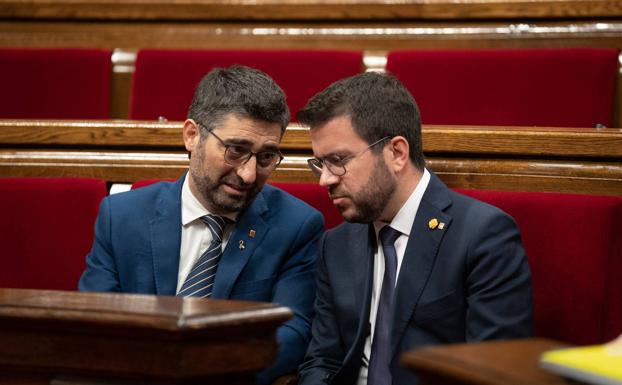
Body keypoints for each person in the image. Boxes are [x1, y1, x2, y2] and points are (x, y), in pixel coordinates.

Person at [79, 65, 323, 385]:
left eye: (265, 157)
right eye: (236, 150)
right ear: (192, 135)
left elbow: (292, 334)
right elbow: (95, 326)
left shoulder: (297, 226)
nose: (249, 174)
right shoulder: (122, 217)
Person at [296, 72, 532, 385]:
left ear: (396, 153)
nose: (325, 179)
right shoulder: (336, 244)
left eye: (338, 160)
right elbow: (322, 360)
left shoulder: (483, 235)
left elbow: (495, 373)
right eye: (320, 164)